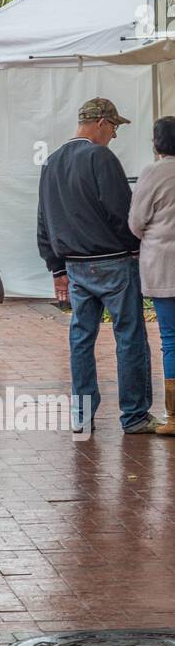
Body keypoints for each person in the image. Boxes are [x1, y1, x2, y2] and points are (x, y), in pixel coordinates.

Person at [37, 97, 156, 435]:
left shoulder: (52, 161)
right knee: (129, 337)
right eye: (114, 127)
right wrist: (134, 247)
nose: (114, 135)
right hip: (113, 262)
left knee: (81, 338)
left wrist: (56, 266)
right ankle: (134, 415)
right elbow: (123, 213)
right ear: (101, 122)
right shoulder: (100, 157)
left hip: (75, 265)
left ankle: (81, 412)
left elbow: (43, 219)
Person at [129, 116, 175, 436]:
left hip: (164, 268)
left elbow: (136, 222)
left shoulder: (153, 172)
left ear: (156, 143)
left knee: (171, 340)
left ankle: (173, 416)